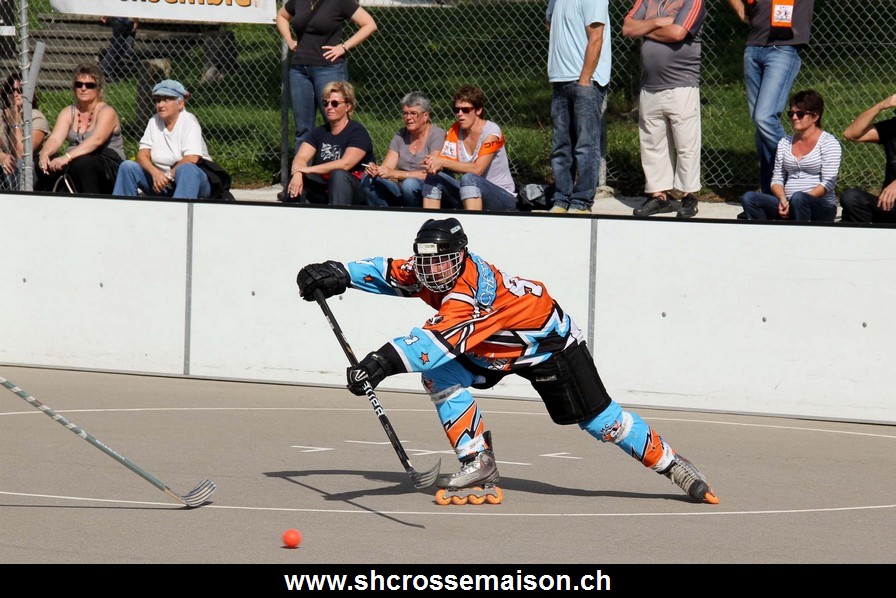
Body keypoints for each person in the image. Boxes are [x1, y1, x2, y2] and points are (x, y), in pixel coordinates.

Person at [296, 217, 720, 504]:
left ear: (461, 256)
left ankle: (673, 465)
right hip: (490, 348)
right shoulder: (431, 269)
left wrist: (378, 364)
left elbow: (430, 343)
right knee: (439, 378)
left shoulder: (471, 294)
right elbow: (389, 270)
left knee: (601, 423)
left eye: (441, 262)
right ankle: (477, 460)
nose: (431, 271)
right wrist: (337, 273)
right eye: (426, 261)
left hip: (547, 347)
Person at [624, 0, 706, 219]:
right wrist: (659, 22)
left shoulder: (693, 1)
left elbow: (678, 33)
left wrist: (644, 27)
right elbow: (628, 27)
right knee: (653, 143)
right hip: (649, 85)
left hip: (681, 84)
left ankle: (688, 195)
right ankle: (659, 196)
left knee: (686, 144)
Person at [727, 0, 816, 199]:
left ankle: (798, 169)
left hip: (784, 47)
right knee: (761, 128)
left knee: (764, 117)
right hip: (753, 46)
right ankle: (772, 195)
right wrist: (740, 9)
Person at [276, 0, 377, 155]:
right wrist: (289, 40)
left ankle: (339, 167)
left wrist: (344, 47)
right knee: (302, 129)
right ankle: (301, 168)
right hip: (299, 70)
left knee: (335, 124)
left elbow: (369, 24)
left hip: (329, 69)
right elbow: (281, 16)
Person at [545, 0, 610, 215]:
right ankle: (562, 199)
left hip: (585, 80)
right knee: (561, 146)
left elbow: (596, 36)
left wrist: (585, 78)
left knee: (585, 145)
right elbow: (549, 23)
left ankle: (582, 201)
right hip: (560, 79)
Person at [740, 90, 840, 221]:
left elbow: (828, 184)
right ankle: (765, 232)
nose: (794, 118)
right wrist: (783, 200)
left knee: (799, 198)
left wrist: (795, 201)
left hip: (821, 206)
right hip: (789, 202)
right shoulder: (784, 142)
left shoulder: (829, 143)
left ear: (815, 116)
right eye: (791, 113)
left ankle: (800, 232)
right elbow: (777, 179)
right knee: (750, 198)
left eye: (800, 114)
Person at [421, 85, 517, 212]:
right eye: (456, 110)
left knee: (470, 178)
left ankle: (472, 224)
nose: (460, 114)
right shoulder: (455, 130)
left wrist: (442, 162)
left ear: (478, 110)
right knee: (433, 178)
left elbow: (477, 169)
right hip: (471, 192)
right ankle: (431, 222)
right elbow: (445, 161)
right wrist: (433, 164)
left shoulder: (492, 132)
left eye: (465, 110)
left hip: (502, 197)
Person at [112, 80, 213, 200]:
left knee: (187, 169)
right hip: (162, 183)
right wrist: (156, 174)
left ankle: (178, 210)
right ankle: (121, 208)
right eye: (158, 100)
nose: (160, 105)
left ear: (180, 104)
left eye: (166, 100)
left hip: (194, 183)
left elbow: (192, 158)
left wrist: (168, 176)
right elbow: (142, 155)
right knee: (127, 167)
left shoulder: (189, 121)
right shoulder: (154, 121)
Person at [38, 63, 125, 194]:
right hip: (77, 162)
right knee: (46, 165)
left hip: (108, 166)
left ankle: (91, 203)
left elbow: (96, 140)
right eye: (79, 84)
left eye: (89, 85)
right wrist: (44, 154)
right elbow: (55, 138)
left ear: (99, 88)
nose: (83, 88)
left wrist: (67, 157)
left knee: (83, 163)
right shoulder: (68, 112)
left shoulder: (107, 112)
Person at [285, 80, 375, 205]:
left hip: (355, 190)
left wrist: (308, 169)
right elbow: (301, 157)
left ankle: (337, 216)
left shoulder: (357, 132)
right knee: (296, 179)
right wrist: (298, 172)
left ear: (348, 106)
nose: (329, 107)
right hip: (326, 187)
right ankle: (292, 214)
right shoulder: (320, 132)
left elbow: (345, 164)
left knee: (339, 175)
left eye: (335, 103)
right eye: (325, 103)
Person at [361, 91, 446, 208]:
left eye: (413, 113)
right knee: (368, 179)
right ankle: (383, 215)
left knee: (409, 184)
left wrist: (395, 174)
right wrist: (376, 170)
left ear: (426, 115)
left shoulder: (437, 134)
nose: (408, 118)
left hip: (428, 189)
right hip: (400, 189)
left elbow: (432, 172)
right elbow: (387, 167)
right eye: (405, 113)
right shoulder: (400, 135)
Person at [839, 94, 896, 224]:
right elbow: (851, 134)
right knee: (851, 198)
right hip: (890, 206)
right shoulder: (893, 127)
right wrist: (881, 106)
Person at [0, 71, 50, 191]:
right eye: (11, 91)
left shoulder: (36, 117)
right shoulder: (2, 115)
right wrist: (1, 156)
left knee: (18, 165)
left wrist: (15, 122)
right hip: (7, 164)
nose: (15, 94)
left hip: (31, 167)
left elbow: (20, 154)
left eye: (20, 90)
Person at [100, 17, 138, 83]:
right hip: (120, 23)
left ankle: (107, 70)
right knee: (116, 49)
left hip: (122, 23)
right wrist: (136, 22)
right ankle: (106, 70)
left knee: (120, 49)